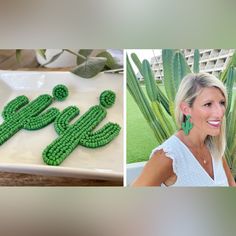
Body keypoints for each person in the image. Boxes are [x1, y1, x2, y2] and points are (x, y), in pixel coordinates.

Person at [132, 73, 236, 187]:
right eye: (208, 104)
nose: (220, 112)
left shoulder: (215, 147)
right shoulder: (168, 156)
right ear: (186, 109)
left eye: (222, 103)